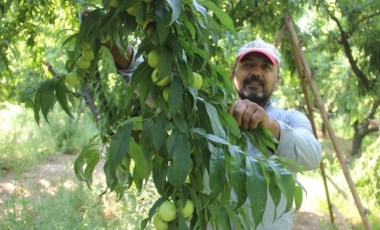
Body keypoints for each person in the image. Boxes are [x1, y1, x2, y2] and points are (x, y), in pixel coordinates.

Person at [108, 38, 322, 229]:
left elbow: (312, 156)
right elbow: (162, 93)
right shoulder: (207, 110)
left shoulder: (290, 119)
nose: (256, 72)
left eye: (266, 67)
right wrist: (122, 54)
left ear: (277, 79)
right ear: (233, 73)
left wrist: (269, 125)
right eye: (247, 65)